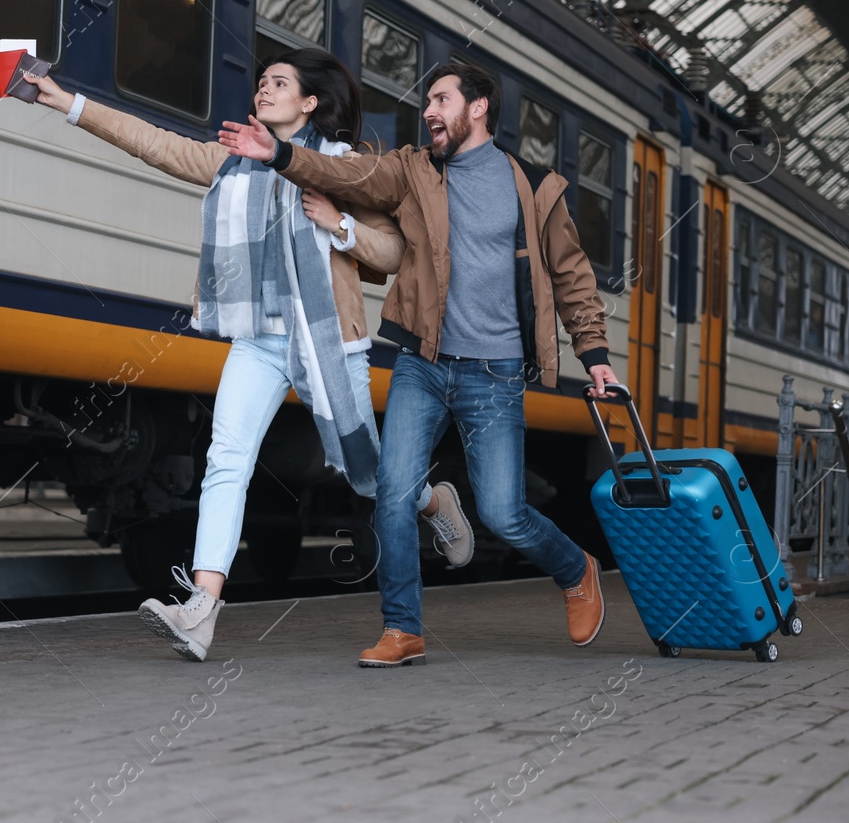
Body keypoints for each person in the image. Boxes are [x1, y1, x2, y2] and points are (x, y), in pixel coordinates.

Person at [22, 50, 474, 661]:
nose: (265, 90)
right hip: (258, 338)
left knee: (369, 475)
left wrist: (339, 224)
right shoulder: (235, 159)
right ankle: (201, 611)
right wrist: (67, 103)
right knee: (226, 459)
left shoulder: (346, 167)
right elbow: (155, 143)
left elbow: (393, 253)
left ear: (309, 103)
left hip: (325, 340)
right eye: (262, 82)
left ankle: (430, 499)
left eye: (280, 83)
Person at [220, 62, 620, 667]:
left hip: (496, 372)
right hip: (423, 364)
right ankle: (402, 628)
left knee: (503, 512)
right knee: (393, 494)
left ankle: (576, 568)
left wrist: (594, 357)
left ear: (479, 107)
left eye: (441, 100)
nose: (429, 111)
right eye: (427, 101)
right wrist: (281, 155)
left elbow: (572, 277)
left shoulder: (535, 186)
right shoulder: (412, 170)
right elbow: (347, 171)